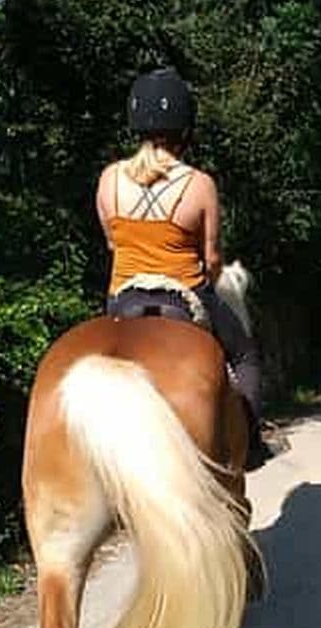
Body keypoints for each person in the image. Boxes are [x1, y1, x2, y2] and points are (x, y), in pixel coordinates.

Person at [95, 67, 266, 467]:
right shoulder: (200, 185)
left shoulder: (108, 180)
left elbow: (111, 242)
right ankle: (253, 444)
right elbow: (211, 259)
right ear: (186, 129)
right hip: (185, 298)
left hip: (122, 301)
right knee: (246, 358)